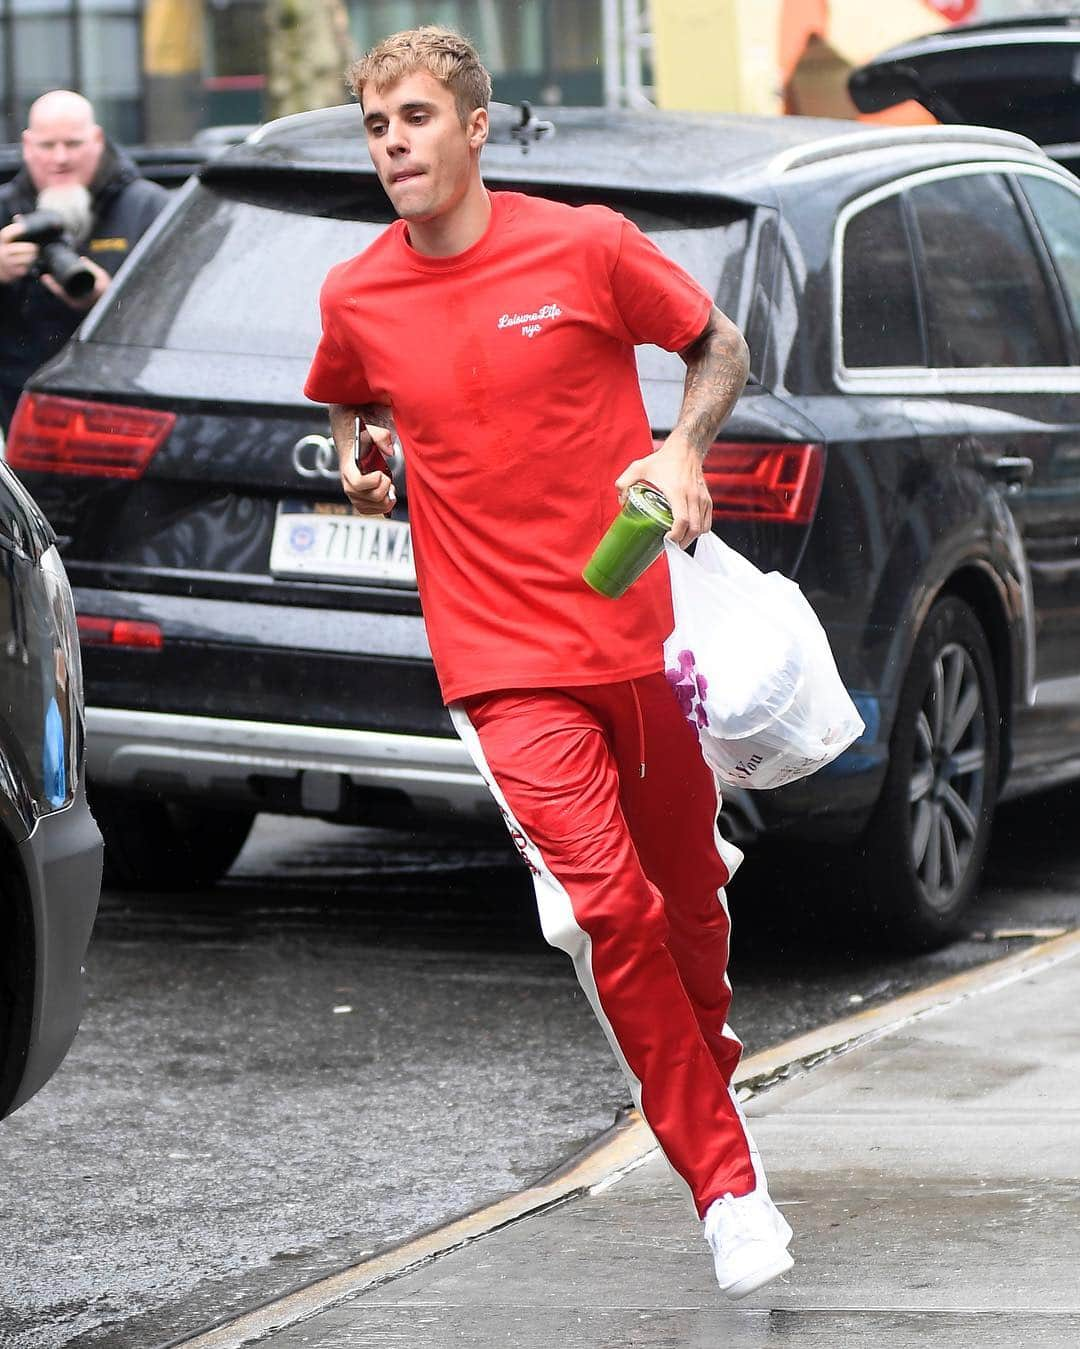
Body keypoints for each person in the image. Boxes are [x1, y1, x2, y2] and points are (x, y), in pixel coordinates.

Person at [305, 26, 794, 1301]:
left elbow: (720, 344)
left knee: (686, 902)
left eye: (414, 118)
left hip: (631, 631)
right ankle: (728, 1187)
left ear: (474, 128)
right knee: (608, 908)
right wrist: (363, 455)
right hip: (498, 662)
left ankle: (700, 1056)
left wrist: (683, 449)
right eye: (374, 126)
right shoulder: (356, 293)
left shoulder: (584, 246)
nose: (393, 144)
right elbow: (350, 394)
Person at [0, 90, 169, 432]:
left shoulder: (149, 208)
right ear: (27, 146)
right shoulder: (4, 209)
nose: (60, 158)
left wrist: (112, 299)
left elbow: (176, 311)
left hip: (126, 411)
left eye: (73, 144)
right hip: (21, 417)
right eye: (47, 146)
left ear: (97, 140)